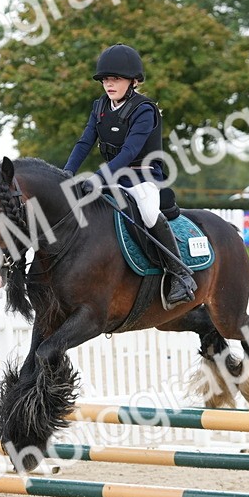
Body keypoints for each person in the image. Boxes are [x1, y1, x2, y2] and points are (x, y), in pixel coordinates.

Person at [62, 43, 197, 309]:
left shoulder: (144, 109)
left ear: (133, 81)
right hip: (113, 177)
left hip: (142, 177)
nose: (109, 84)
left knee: (148, 213)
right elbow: (85, 142)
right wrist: (67, 172)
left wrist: (98, 178)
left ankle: (180, 274)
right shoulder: (99, 106)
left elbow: (129, 151)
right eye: (105, 79)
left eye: (116, 79)